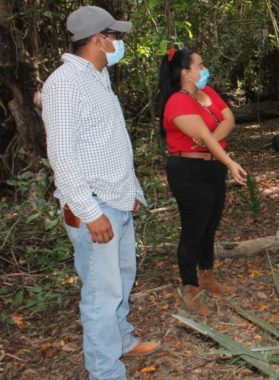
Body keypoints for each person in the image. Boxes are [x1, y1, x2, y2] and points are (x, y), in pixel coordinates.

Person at [42, 6, 160, 379]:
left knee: (122, 280)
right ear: (98, 39)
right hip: (94, 204)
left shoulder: (98, 77)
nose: (119, 43)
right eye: (116, 36)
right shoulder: (65, 83)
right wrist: (90, 213)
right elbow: (61, 154)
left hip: (118, 198)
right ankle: (106, 371)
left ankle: (122, 339)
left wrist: (131, 191)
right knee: (100, 295)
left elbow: (105, 142)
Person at [157, 48, 247, 315]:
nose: (204, 68)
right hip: (188, 170)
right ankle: (190, 288)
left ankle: (207, 277)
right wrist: (229, 161)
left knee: (210, 225)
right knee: (193, 229)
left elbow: (228, 120)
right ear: (185, 72)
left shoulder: (208, 94)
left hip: (212, 166)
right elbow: (206, 137)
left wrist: (212, 146)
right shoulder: (177, 101)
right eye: (200, 64)